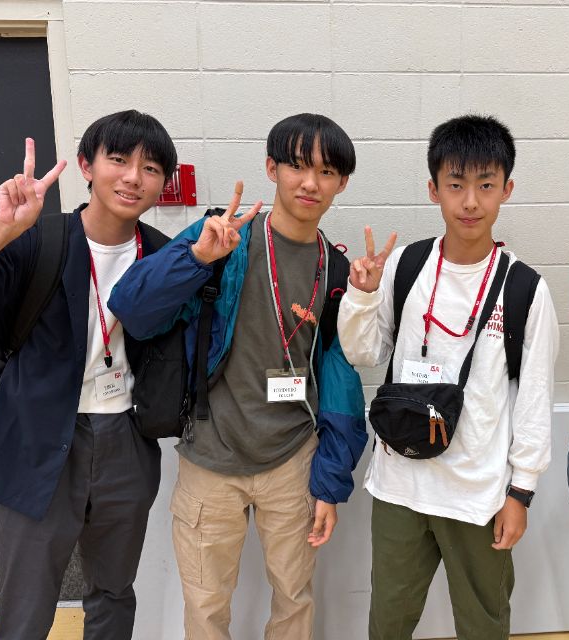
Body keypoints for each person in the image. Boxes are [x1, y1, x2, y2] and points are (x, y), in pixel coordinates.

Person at [0, 110, 178, 638]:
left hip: (126, 441)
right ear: (86, 166)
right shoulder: (37, 243)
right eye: (118, 160)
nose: (132, 177)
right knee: (25, 611)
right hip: (34, 442)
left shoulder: (163, 256)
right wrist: (1, 229)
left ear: (162, 182)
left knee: (114, 594)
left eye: (150, 168)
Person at [108, 113, 368, 640]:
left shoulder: (337, 271)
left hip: (293, 459)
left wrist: (331, 479)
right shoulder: (223, 238)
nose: (310, 183)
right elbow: (131, 308)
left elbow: (340, 380)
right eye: (297, 166)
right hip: (210, 455)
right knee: (206, 607)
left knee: (294, 598)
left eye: (326, 171)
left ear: (342, 182)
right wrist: (196, 258)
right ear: (272, 169)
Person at [337, 114, 559, 640]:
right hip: (399, 483)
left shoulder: (525, 288)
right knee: (388, 622)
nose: (470, 202)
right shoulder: (406, 266)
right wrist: (362, 295)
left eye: (486, 185)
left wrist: (521, 493)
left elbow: (534, 399)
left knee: (484, 623)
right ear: (433, 189)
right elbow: (364, 352)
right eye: (456, 185)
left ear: (507, 190)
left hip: (477, 492)